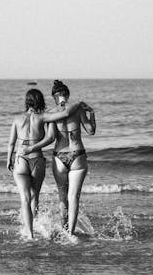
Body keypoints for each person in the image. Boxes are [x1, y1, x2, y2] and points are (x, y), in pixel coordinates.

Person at [6, 88, 83, 239]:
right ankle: (36, 227)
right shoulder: (43, 117)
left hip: (20, 159)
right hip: (37, 160)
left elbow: (11, 143)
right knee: (35, 197)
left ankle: (29, 234)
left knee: (24, 198)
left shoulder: (17, 119)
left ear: (26, 101)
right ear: (40, 101)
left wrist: (8, 159)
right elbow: (64, 116)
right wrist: (79, 104)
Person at [29, 80, 96, 236]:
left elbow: (51, 138)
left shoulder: (52, 113)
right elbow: (91, 131)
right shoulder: (78, 110)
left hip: (59, 156)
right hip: (78, 154)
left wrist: (32, 147)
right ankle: (70, 234)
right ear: (67, 95)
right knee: (74, 198)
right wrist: (91, 113)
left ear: (54, 97)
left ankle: (63, 228)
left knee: (62, 197)